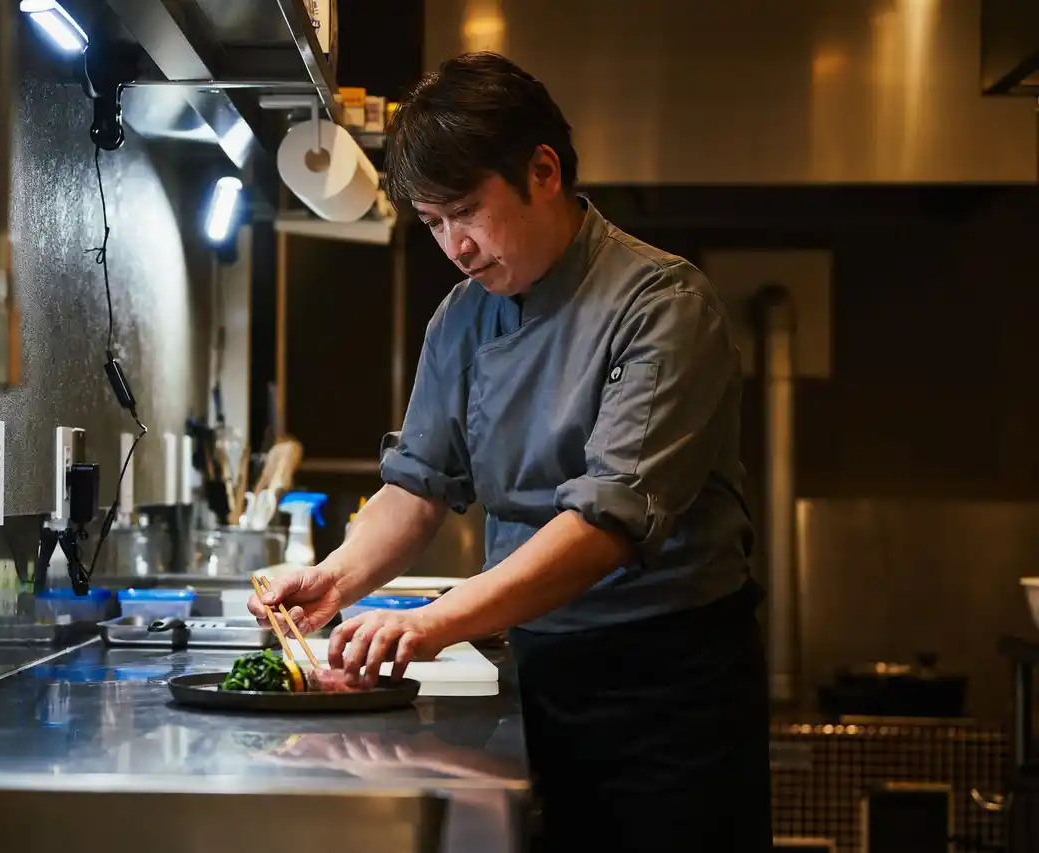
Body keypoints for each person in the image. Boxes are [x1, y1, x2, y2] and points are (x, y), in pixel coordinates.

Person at [249, 51, 771, 852]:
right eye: (433, 223)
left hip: (669, 685)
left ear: (543, 171)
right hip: (537, 665)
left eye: (465, 211)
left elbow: (605, 526)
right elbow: (416, 486)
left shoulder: (663, 305)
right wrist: (336, 577)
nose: (454, 246)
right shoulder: (463, 318)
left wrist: (432, 622)